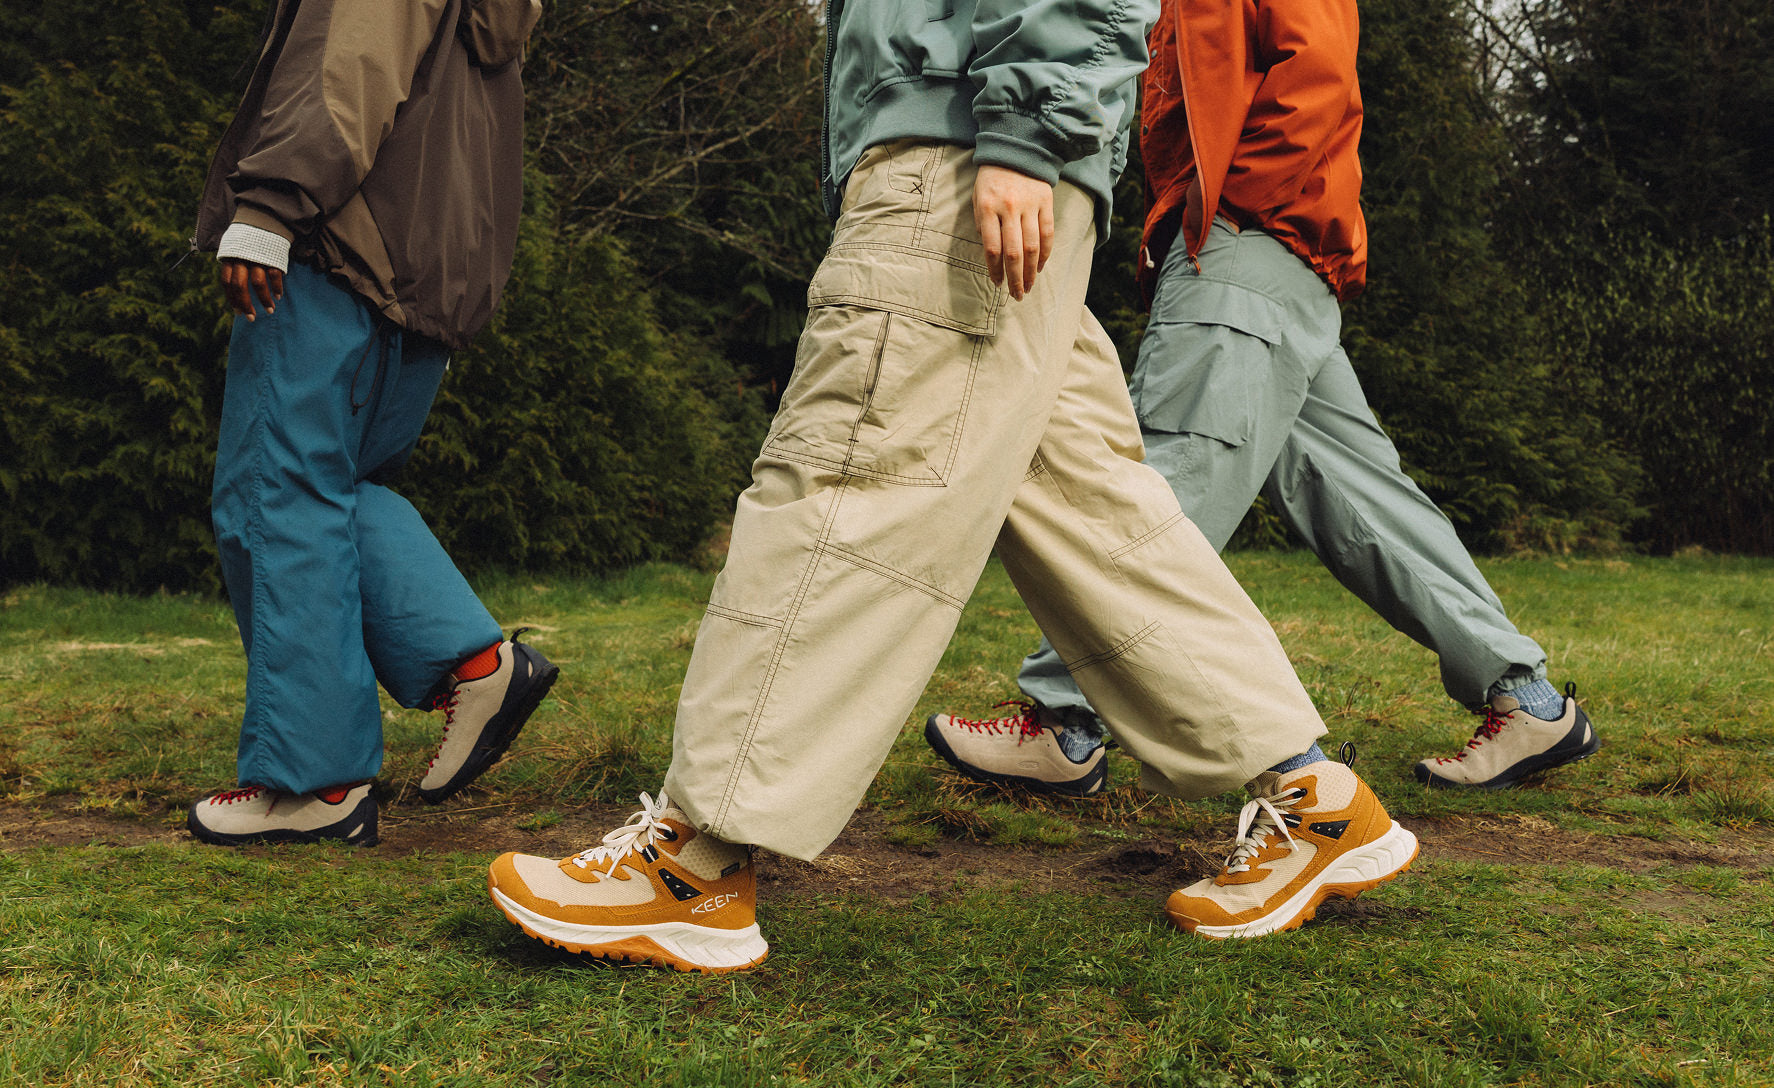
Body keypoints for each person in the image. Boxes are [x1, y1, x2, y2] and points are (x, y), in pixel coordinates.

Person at [484, 0, 1416, 973]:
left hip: (966, 147)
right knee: (1088, 510)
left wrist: (1024, 130)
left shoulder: (1002, 131)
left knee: (847, 481)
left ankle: (693, 862)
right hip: (989, 138)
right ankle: (1313, 799)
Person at [925, 0, 1599, 799]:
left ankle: (1062, 722)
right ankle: (1526, 699)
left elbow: (1315, 80)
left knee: (1161, 477)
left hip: (1246, 242)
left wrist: (1232, 206)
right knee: (1362, 499)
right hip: (1270, 252)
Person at [184, 0, 557, 848]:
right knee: (335, 485)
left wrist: (272, 203)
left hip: (339, 244)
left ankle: (312, 782)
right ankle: (474, 665)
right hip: (422, 271)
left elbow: (349, 62)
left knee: (277, 493)